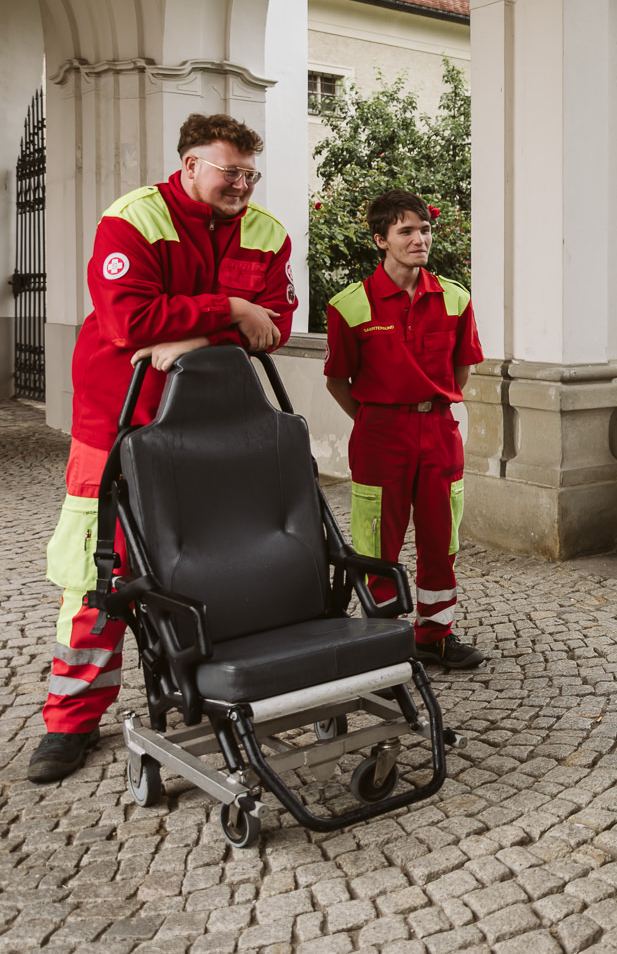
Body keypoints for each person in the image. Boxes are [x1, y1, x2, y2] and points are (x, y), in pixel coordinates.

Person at [32, 113, 296, 783]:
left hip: (215, 428)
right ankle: (71, 720)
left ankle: (211, 686)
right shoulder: (133, 220)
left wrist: (197, 335)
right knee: (99, 575)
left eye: (249, 173)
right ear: (188, 165)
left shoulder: (268, 233)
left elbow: (278, 326)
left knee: (219, 558)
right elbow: (128, 321)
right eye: (228, 170)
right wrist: (232, 307)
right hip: (119, 426)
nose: (242, 184)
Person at [325, 189, 486, 669]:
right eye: (406, 231)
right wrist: (378, 419)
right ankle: (382, 639)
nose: (420, 239)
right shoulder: (349, 305)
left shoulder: (455, 297)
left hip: (438, 430)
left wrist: (425, 408)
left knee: (442, 540)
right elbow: (338, 381)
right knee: (377, 542)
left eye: (425, 230)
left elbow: (462, 370)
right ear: (381, 240)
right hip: (379, 435)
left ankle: (435, 636)